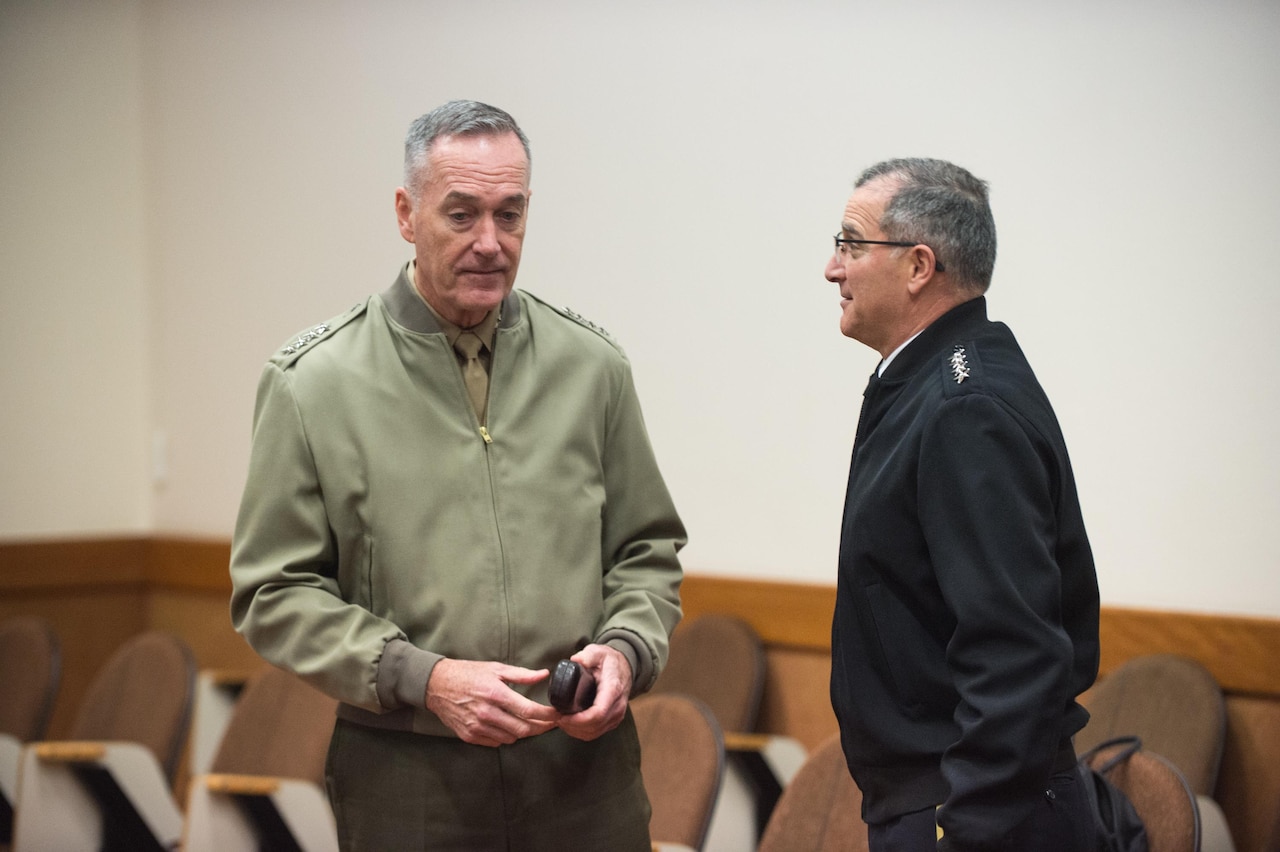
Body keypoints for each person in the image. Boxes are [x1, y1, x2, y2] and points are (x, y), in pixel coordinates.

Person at [229, 100, 685, 851]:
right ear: (407, 214)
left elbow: (646, 552)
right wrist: (424, 678)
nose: (490, 243)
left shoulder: (591, 367)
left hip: (584, 780)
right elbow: (273, 593)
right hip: (409, 782)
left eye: (510, 216)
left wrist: (627, 649)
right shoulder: (312, 382)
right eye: (462, 214)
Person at [824, 158, 1101, 852]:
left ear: (919, 266)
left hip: (975, 813)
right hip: (939, 797)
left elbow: (1016, 652)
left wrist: (967, 829)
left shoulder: (962, 406)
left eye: (851, 244)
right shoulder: (929, 381)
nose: (833, 268)